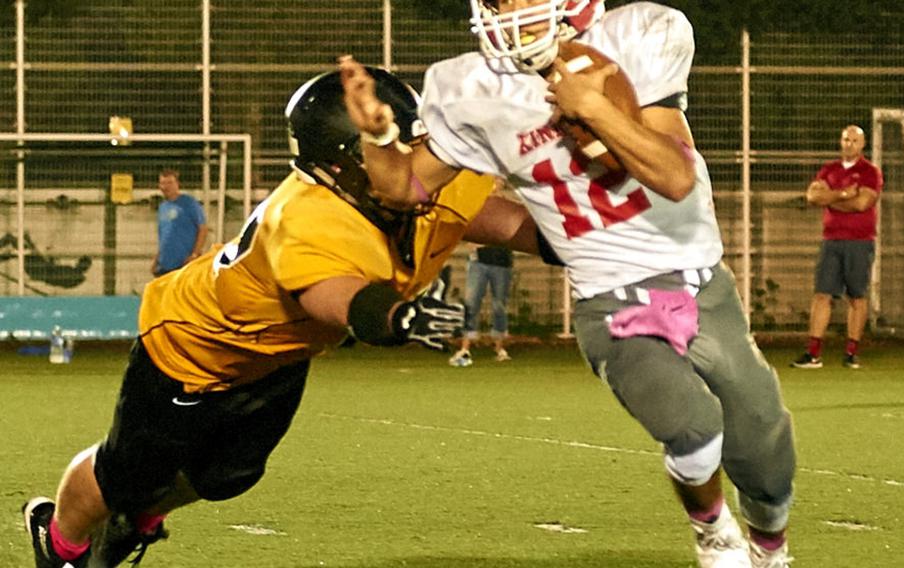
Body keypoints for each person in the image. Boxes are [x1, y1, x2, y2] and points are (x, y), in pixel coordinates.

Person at [22, 66, 543, 568]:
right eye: (391, 147)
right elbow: (333, 297)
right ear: (341, 165)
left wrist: (592, 236)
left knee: (228, 476)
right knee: (126, 475)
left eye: (409, 143)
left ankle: (135, 520)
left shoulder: (412, 183)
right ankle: (60, 543)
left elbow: (505, 221)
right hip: (193, 345)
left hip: (278, 354)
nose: (416, 160)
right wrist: (397, 317)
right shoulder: (305, 216)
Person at [340, 1, 796, 566]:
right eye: (498, 1)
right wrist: (380, 135)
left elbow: (675, 176)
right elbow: (402, 187)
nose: (505, 10)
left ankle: (771, 547)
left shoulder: (636, 36)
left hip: (701, 283)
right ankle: (713, 530)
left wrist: (595, 109)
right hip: (608, 300)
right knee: (692, 426)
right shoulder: (471, 85)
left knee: (763, 444)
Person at [790, 124, 883, 370]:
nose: (849, 144)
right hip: (831, 240)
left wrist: (829, 199)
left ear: (862, 144)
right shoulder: (829, 169)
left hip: (860, 243)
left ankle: (851, 352)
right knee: (822, 294)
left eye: (854, 140)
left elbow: (862, 203)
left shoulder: (870, 172)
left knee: (856, 296)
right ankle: (813, 353)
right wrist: (842, 195)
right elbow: (812, 197)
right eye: (845, 139)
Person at [448, 243, 514, 366]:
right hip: (478, 262)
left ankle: (499, 348)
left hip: (502, 262)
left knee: (499, 305)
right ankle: (465, 348)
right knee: (471, 303)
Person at [151, 169, 208, 276]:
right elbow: (163, 236)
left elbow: (203, 229)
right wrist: (157, 258)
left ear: (177, 184)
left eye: (170, 183)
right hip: (165, 264)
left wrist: (195, 254)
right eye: (163, 183)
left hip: (184, 263)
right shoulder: (163, 207)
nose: (166, 186)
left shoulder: (189, 203)